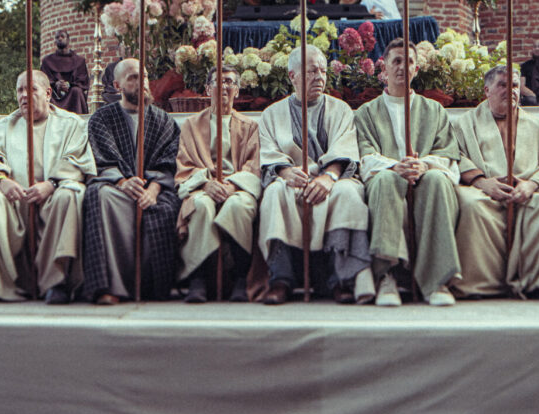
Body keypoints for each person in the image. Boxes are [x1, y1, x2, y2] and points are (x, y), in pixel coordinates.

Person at [0, 69, 95, 304]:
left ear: (48, 93)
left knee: (71, 194)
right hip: (13, 202)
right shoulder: (5, 125)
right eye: (20, 90)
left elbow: (78, 160)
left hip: (52, 197)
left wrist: (51, 184)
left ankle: (56, 282)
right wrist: (1, 180)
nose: (24, 95)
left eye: (31, 89)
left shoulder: (71, 124)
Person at [257, 44, 373, 304]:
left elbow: (345, 148)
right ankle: (281, 279)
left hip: (331, 179)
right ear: (292, 76)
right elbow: (268, 153)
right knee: (274, 193)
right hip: (291, 180)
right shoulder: (271, 114)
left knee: (348, 194)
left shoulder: (341, 109)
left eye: (322, 71)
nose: (319, 77)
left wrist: (329, 177)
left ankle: (341, 278)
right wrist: (285, 172)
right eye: (311, 71)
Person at [353, 38, 461, 307]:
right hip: (386, 177)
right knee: (385, 180)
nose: (403, 67)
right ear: (384, 68)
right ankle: (387, 275)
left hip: (425, 175)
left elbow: (448, 154)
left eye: (409, 61)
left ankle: (436, 281)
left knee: (437, 180)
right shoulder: (366, 113)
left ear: (416, 69)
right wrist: (393, 166)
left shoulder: (434, 110)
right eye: (397, 61)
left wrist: (424, 165)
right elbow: (364, 156)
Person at [451, 65, 539, 299]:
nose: (510, 90)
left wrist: (531, 185)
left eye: (514, 85)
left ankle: (536, 283)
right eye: (502, 85)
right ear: (486, 90)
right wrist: (482, 182)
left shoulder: (538, 125)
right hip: (483, 187)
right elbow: (455, 155)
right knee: (471, 204)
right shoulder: (464, 123)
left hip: (529, 187)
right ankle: (481, 284)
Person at [81, 58, 181, 303]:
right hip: (117, 187)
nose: (142, 82)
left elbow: (170, 162)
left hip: (155, 189)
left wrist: (154, 189)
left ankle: (151, 287)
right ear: (118, 86)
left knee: (165, 208)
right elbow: (102, 160)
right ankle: (109, 287)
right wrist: (123, 182)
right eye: (133, 77)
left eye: (144, 76)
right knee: (99, 196)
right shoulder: (101, 119)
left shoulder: (164, 121)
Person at [175, 65, 260, 303]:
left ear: (238, 90)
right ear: (207, 89)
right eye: (218, 82)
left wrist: (233, 185)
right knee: (200, 206)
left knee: (238, 206)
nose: (224, 87)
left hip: (237, 186)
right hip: (203, 186)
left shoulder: (250, 126)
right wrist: (205, 183)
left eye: (230, 82)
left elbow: (254, 166)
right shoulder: (191, 125)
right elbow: (184, 164)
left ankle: (241, 277)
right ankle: (199, 279)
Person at [41, 28, 90, 114]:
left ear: (68, 40)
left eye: (62, 36)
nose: (60, 38)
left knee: (76, 91)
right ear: (55, 41)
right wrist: (56, 84)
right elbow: (43, 81)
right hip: (54, 96)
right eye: (57, 37)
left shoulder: (79, 61)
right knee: (47, 94)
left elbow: (83, 81)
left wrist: (68, 85)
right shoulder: (47, 61)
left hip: (72, 94)